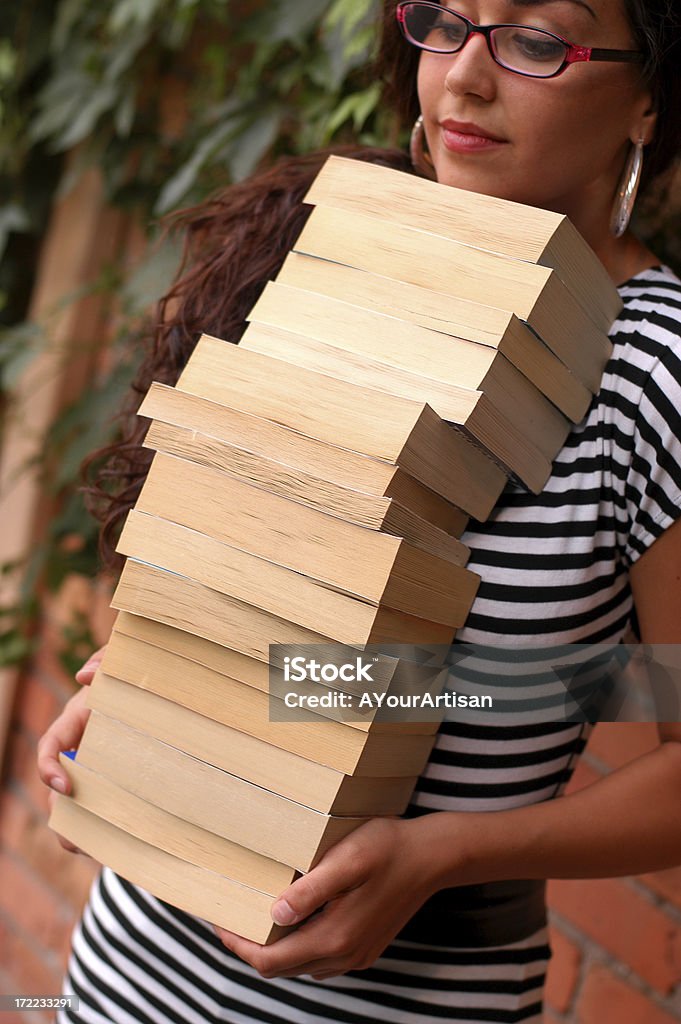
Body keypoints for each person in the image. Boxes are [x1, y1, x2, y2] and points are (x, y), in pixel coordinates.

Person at [38, 2, 681, 1021]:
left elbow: (659, 714)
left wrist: (443, 851)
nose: (464, 78)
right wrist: (153, 675)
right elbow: (248, 574)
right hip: (130, 970)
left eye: (535, 42)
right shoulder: (332, 247)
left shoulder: (654, 373)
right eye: (444, 20)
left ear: (649, 94)